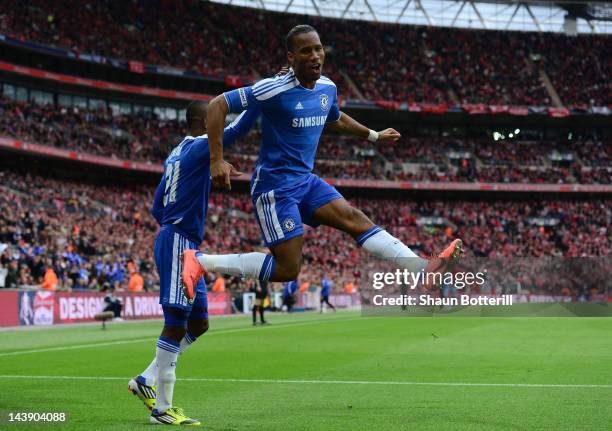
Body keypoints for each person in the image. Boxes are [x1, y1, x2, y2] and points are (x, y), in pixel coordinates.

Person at [182, 25, 461, 304]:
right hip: (275, 188)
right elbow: (219, 104)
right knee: (288, 269)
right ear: (291, 58)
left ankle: (422, 270)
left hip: (306, 180)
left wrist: (375, 136)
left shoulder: (327, 87)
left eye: (318, 48)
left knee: (355, 218)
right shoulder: (273, 88)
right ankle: (202, 262)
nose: (315, 55)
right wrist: (216, 159)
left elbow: (336, 118)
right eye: (306, 51)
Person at [127, 101, 260, 426]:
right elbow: (239, 129)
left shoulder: (176, 152)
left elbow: (157, 206)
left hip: (186, 245)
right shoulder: (202, 145)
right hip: (178, 243)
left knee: (198, 322)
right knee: (175, 322)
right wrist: (261, 97)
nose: (221, 125)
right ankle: (161, 409)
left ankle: (145, 379)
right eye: (217, 119)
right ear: (206, 121)